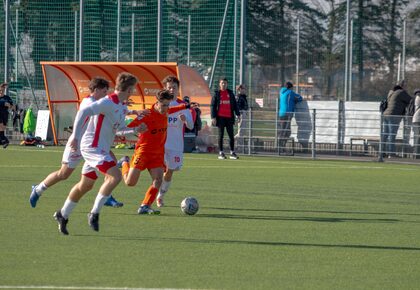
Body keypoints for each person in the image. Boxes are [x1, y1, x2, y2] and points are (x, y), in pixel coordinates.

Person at [53, 72, 140, 235]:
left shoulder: (121, 106)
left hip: (101, 149)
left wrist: (135, 130)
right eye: (133, 89)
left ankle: (62, 214)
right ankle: (94, 213)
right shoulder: (107, 102)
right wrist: (75, 136)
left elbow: (119, 129)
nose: (133, 92)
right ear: (128, 89)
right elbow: (83, 112)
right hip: (92, 147)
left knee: (85, 185)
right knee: (115, 176)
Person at [29, 77, 123, 209]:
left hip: (93, 145)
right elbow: (92, 111)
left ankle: (107, 196)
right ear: (96, 90)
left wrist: (122, 106)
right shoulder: (88, 102)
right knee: (64, 174)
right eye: (104, 91)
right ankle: (38, 189)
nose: (106, 95)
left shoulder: (102, 103)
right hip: (77, 143)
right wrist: (75, 137)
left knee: (111, 165)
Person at [119, 89, 191, 214]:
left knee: (158, 180)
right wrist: (136, 129)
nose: (166, 108)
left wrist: (186, 105)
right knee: (130, 183)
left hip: (157, 154)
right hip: (143, 152)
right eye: (163, 105)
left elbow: (174, 109)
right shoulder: (146, 114)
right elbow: (128, 128)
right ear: (157, 103)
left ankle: (145, 206)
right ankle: (124, 162)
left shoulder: (167, 111)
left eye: (168, 105)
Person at [155, 76, 194, 208]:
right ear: (165, 89)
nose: (172, 90)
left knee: (170, 171)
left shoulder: (182, 105)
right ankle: (153, 198)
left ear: (178, 89)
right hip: (160, 144)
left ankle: (161, 195)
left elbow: (191, 126)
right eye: (169, 87)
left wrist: (185, 120)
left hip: (175, 145)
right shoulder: (160, 104)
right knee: (158, 172)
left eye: (174, 87)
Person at [211, 78, 241, 160]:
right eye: (222, 83)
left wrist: (238, 114)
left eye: (225, 83)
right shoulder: (217, 94)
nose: (223, 84)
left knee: (231, 136)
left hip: (229, 118)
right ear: (219, 84)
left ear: (227, 84)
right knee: (221, 135)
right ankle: (221, 152)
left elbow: (235, 105)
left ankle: (232, 152)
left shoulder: (230, 93)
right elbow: (213, 106)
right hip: (220, 118)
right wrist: (213, 117)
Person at [382, 79, 412, 158]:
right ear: (402, 86)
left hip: (386, 114)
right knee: (392, 135)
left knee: (385, 134)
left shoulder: (392, 92)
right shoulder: (401, 92)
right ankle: (391, 153)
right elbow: (411, 100)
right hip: (394, 115)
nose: (407, 87)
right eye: (405, 86)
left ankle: (381, 152)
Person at [278, 81, 302, 152]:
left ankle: (280, 146)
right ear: (291, 87)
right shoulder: (290, 93)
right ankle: (281, 147)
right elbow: (300, 97)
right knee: (287, 131)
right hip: (288, 113)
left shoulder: (281, 92)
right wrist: (295, 101)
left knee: (282, 130)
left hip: (281, 113)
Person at [0, 83, 15, 148]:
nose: (1, 92)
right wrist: (3, 103)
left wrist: (9, 105)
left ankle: (4, 141)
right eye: (0, 90)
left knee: (2, 129)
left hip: (5, 114)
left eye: (2, 90)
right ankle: (4, 140)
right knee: (0, 126)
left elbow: (12, 106)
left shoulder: (7, 98)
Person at [411, 89, 420, 158]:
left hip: (416, 120)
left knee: (417, 137)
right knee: (417, 138)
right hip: (417, 120)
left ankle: (416, 154)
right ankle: (416, 154)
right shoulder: (418, 98)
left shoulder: (416, 98)